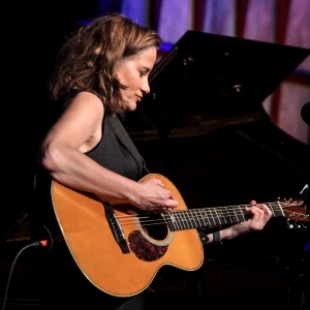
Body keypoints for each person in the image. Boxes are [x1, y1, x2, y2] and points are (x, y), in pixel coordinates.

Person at [29, 13, 273, 310]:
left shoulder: (110, 119)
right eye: (142, 72)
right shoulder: (89, 100)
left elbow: (158, 244)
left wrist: (232, 230)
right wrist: (136, 192)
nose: (147, 86)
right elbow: (53, 154)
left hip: (114, 283)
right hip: (86, 290)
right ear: (112, 61)